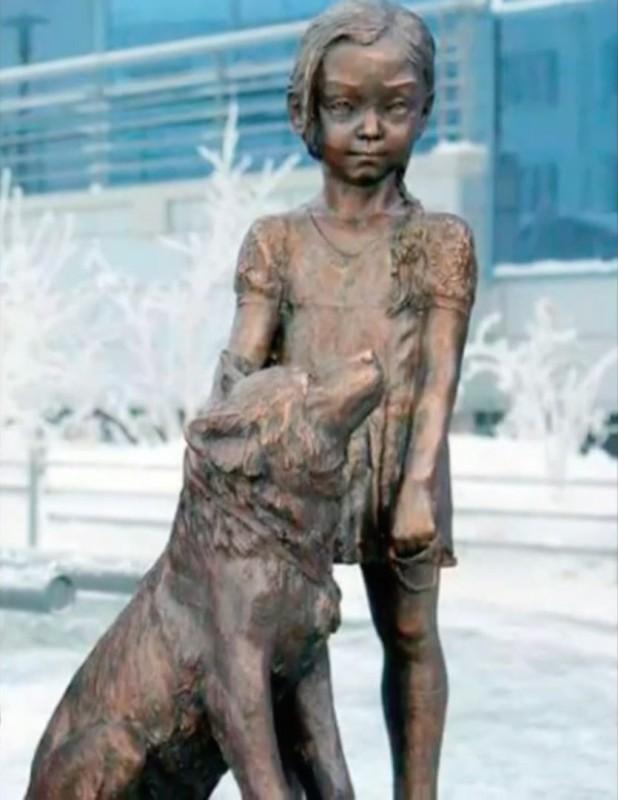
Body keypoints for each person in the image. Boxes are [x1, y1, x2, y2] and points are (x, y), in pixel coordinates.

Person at [210, 2, 477, 797]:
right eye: (345, 106)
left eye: (394, 106)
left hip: (401, 465)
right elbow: (243, 363)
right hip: (299, 479)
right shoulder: (277, 241)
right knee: (287, 643)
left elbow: (439, 379)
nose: (369, 128)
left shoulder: (439, 241)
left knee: (411, 634)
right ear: (307, 110)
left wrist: (419, 485)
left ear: (424, 110)